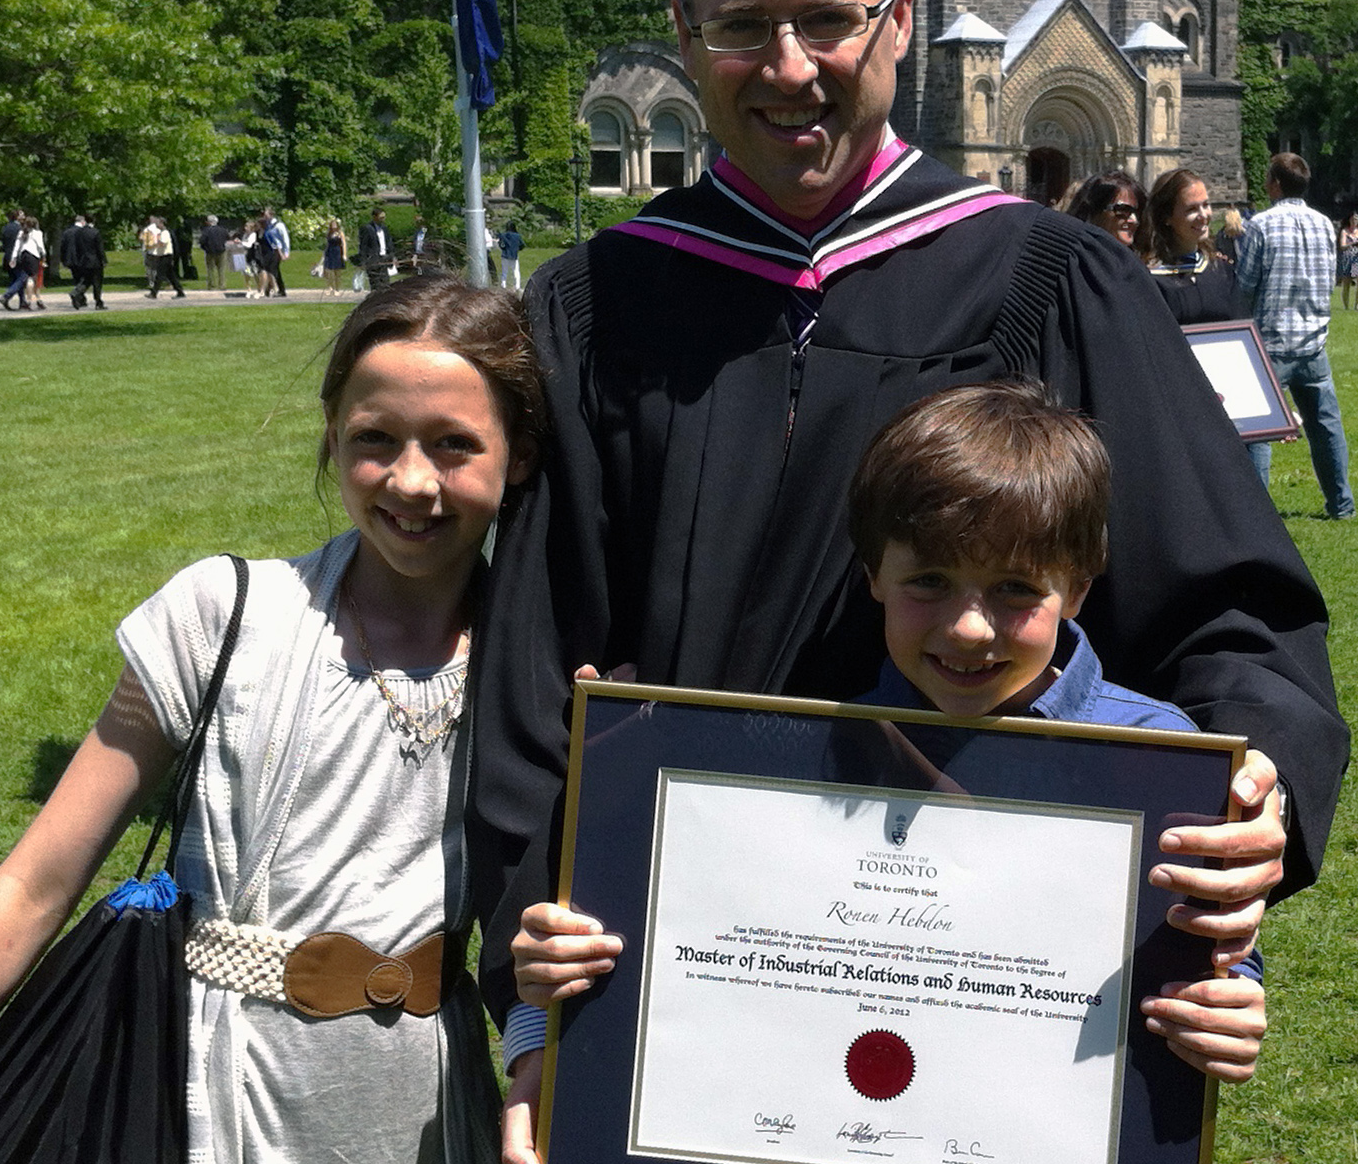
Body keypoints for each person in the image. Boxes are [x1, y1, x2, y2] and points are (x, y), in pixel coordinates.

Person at [471, 0, 1344, 1139]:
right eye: (740, 25)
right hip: (684, 1005)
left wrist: (1254, 779)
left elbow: (1229, 611)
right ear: (681, 33)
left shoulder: (1044, 282)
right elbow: (538, 686)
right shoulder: (600, 308)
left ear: (900, 14)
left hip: (990, 1016)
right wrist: (543, 1008)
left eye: (827, 18)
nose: (787, 66)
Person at [0, 277, 535, 1164]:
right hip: (205, 1099)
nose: (410, 479)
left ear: (515, 454)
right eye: (374, 440)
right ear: (331, 437)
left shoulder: (537, 666)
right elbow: (36, 880)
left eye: (453, 445)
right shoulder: (222, 616)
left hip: (424, 1115)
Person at [508, 382, 1273, 1136]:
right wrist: (561, 987)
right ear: (873, 573)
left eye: (1014, 589)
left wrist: (1227, 997)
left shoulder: (1157, 757)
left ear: (1075, 586)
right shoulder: (783, 748)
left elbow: (1206, 943)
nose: (970, 628)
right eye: (929, 582)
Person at [1236, 152, 1355, 520]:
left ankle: (1257, 514)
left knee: (1260, 430)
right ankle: (1341, 505)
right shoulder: (1324, 224)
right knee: (1326, 426)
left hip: (1269, 341)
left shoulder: (1260, 225)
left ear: (1274, 183)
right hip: (1314, 340)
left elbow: (1245, 284)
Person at [1142, 169, 1242, 324]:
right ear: (1166, 217)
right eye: (1192, 209)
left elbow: (1240, 326)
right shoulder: (1150, 280)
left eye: (1206, 205)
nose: (1203, 215)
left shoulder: (1221, 271)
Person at [1064, 171, 1147, 250]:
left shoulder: (1138, 263)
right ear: (1095, 210)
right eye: (1123, 210)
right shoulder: (1069, 258)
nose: (1134, 221)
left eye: (1139, 212)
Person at [0, 216, 45, 311]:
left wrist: (13, 258)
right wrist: (43, 256)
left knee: (24, 277)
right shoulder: (37, 233)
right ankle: (28, 300)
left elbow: (16, 247)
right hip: (33, 256)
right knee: (30, 278)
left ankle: (28, 300)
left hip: (23, 256)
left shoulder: (21, 233)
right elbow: (40, 246)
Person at [61, 214, 107, 310]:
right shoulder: (95, 233)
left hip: (83, 261)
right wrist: (104, 260)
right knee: (97, 282)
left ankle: (76, 292)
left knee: (86, 280)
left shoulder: (79, 233)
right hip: (95, 261)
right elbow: (99, 249)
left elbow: (77, 247)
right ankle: (98, 302)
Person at [144, 215, 185, 300]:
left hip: (166, 256)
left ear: (162, 223)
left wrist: (154, 244)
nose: (156, 224)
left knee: (159, 275)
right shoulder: (161, 232)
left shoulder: (165, 232)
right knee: (171, 275)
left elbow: (162, 243)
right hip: (163, 256)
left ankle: (154, 293)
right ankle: (180, 291)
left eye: (158, 223)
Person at [1336, 212, 1358, 311]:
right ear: (1349, 220)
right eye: (1353, 219)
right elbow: (1342, 245)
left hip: (1357, 259)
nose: (1355, 221)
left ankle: (1357, 304)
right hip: (1346, 258)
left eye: (1356, 219)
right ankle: (1346, 307)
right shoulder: (1344, 231)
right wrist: (1352, 244)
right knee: (1346, 284)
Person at [359, 209, 396, 290]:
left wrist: (392, 256)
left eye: (384, 217)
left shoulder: (384, 228)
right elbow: (363, 246)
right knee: (375, 284)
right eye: (381, 217)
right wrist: (363, 261)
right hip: (373, 260)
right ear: (374, 217)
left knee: (385, 283)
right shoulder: (367, 228)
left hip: (384, 258)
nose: (383, 219)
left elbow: (389, 243)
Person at [262, 206, 291, 297]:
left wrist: (286, 252)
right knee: (272, 269)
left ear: (271, 215)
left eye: (266, 215)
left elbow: (285, 239)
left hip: (278, 250)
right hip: (270, 250)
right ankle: (279, 289)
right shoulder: (268, 225)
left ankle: (274, 289)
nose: (265, 217)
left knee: (272, 269)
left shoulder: (279, 225)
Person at [200, 215, 229, 291]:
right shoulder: (223, 230)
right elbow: (227, 238)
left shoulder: (206, 230)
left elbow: (202, 241)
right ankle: (222, 285)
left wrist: (205, 248)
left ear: (209, 222)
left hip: (210, 252)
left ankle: (212, 286)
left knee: (211, 269)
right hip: (222, 251)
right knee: (221, 269)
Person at [497, 221, 525, 292]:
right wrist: (518, 249)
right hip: (514, 255)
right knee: (516, 271)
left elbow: (501, 245)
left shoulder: (503, 235)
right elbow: (522, 245)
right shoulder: (517, 236)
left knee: (504, 271)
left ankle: (503, 285)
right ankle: (517, 286)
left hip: (505, 255)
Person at [322, 217, 347, 296]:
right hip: (330, 252)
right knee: (328, 271)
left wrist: (344, 254)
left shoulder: (340, 233)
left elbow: (344, 244)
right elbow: (327, 244)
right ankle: (330, 288)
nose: (333, 226)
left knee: (337, 272)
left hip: (337, 252)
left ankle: (337, 288)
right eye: (332, 224)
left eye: (335, 224)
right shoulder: (329, 234)